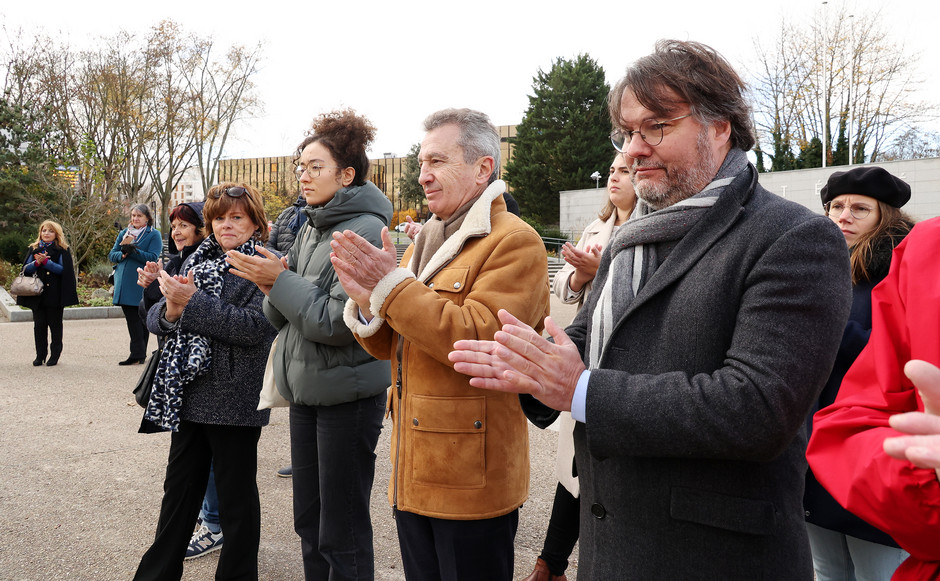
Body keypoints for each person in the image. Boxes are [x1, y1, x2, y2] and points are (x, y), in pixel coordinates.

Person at [447, 40, 851, 580]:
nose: (634, 148)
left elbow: (758, 408)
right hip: (609, 552)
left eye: (656, 126)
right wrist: (531, 367)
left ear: (721, 126)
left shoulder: (794, 238)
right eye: (628, 132)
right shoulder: (631, 237)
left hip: (714, 561)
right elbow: (582, 347)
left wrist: (581, 390)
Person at [330, 108, 551, 581]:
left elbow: (474, 338)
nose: (423, 176)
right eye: (420, 162)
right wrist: (369, 302)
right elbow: (394, 345)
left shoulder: (515, 242)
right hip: (415, 470)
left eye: (436, 161)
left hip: (471, 478)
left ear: (483, 168)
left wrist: (390, 287)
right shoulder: (427, 239)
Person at [227, 109, 393, 580]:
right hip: (306, 391)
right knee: (309, 521)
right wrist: (270, 285)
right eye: (301, 166)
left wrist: (278, 281)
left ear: (347, 174)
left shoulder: (362, 229)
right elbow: (279, 317)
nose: (303, 175)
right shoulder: (309, 225)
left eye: (315, 167)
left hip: (349, 394)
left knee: (341, 529)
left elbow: (332, 322)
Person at [133, 183, 276, 581]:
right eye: (218, 218)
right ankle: (157, 574)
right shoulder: (198, 256)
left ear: (254, 221)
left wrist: (191, 303)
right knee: (178, 494)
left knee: (237, 501)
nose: (226, 225)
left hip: (236, 398)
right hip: (188, 392)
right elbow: (157, 318)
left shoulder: (267, 261)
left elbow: (253, 328)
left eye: (237, 217)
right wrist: (173, 309)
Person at [523, 153, 637, 581]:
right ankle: (550, 564)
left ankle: (553, 564)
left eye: (624, 171)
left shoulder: (649, 225)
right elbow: (563, 289)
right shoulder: (596, 227)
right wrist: (578, 278)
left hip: (618, 360)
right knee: (573, 463)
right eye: (611, 170)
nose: (615, 177)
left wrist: (601, 270)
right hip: (585, 351)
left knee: (591, 465)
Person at [808, 217, 940, 581]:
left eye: (859, 206)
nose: (844, 214)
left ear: (887, 215)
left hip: (886, 488)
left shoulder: (898, 264)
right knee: (828, 568)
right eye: (836, 205)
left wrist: (830, 329)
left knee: (873, 569)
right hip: (839, 449)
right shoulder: (815, 265)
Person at [136, 201, 224, 560]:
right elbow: (152, 317)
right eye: (173, 224)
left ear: (202, 228)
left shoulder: (208, 262)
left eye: (185, 224)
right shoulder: (175, 262)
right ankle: (209, 521)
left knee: (215, 456)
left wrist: (175, 300)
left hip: (206, 372)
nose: (177, 230)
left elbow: (203, 314)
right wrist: (150, 286)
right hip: (178, 371)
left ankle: (214, 525)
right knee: (192, 458)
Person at [264, 193, 307, 480]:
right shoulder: (287, 214)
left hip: (301, 286)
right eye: (302, 170)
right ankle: (301, 457)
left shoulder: (321, 217)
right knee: (294, 382)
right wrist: (277, 263)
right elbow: (271, 243)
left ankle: (305, 458)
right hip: (284, 281)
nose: (305, 178)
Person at [16, 220, 79, 366]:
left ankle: (54, 355)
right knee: (39, 326)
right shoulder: (34, 248)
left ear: (56, 234)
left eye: (50, 231)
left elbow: (64, 270)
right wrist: (37, 263)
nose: (46, 233)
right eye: (44, 230)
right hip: (37, 294)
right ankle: (40, 355)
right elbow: (26, 268)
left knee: (55, 326)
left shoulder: (62, 249)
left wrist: (46, 263)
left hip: (55, 294)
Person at [109, 203, 162, 365]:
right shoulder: (124, 233)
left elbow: (153, 256)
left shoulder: (154, 235)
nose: (135, 219)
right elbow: (112, 254)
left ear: (147, 218)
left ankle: (138, 353)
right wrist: (122, 255)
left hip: (141, 282)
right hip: (124, 282)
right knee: (132, 319)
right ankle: (137, 353)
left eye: (139, 216)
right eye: (133, 215)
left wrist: (134, 251)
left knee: (141, 319)